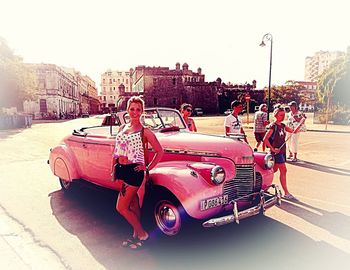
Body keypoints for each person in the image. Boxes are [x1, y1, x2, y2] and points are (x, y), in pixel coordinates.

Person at [112, 96, 163, 249]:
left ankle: (142, 234)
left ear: (142, 112)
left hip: (134, 172)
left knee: (121, 207)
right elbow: (115, 151)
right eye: (132, 109)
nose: (134, 112)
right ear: (128, 110)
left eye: (138, 109)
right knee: (133, 204)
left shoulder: (144, 131)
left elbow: (159, 151)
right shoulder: (122, 128)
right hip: (121, 170)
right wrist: (113, 169)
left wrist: (147, 168)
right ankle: (135, 236)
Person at [263, 106, 305, 200]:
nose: (282, 117)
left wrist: (301, 123)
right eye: (281, 115)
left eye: (283, 115)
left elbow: (294, 131)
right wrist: (273, 149)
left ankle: (263, 186)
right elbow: (265, 139)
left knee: (273, 170)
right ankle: (286, 193)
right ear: (276, 115)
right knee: (283, 170)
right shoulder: (273, 126)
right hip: (276, 152)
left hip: (282, 151)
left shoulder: (282, 125)